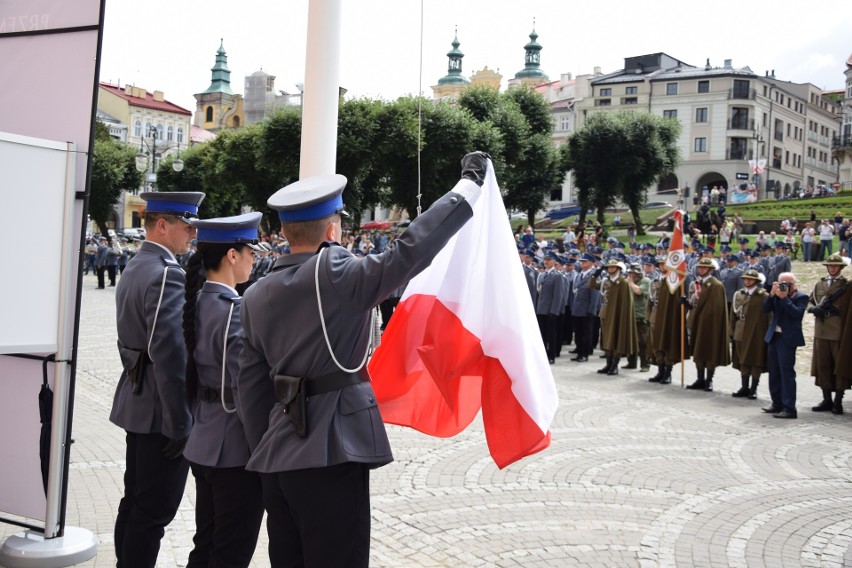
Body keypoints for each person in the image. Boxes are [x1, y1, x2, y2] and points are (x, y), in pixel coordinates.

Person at [237, 152, 490, 567]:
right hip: (332, 451)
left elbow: (250, 389)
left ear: (283, 230)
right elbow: (410, 250)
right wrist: (467, 188)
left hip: (276, 456)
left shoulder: (255, 293)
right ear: (333, 228)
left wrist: (264, 450)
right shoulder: (337, 274)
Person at [110, 191, 205, 568]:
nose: (191, 236)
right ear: (162, 225)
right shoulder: (167, 273)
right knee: (153, 512)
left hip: (140, 400)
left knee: (135, 501)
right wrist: (181, 422)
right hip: (160, 412)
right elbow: (169, 355)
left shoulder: (139, 264)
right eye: (186, 227)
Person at [182, 213, 265, 568]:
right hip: (234, 448)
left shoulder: (197, 301)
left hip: (204, 438)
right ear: (232, 255)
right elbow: (247, 391)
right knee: (231, 551)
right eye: (250, 252)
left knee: (208, 543)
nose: (254, 258)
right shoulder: (235, 311)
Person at [807, 254, 851, 415]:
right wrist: (812, 308)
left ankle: (838, 400)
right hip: (821, 329)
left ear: (840, 267)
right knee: (823, 365)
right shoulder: (820, 283)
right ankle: (827, 399)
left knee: (838, 366)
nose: (832, 268)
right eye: (830, 266)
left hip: (838, 330)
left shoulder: (846, 285)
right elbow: (810, 300)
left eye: (835, 266)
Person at [762, 272, 808, 419]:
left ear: (794, 284)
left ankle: (789, 408)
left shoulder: (801, 297)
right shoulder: (776, 294)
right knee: (774, 372)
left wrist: (784, 298)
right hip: (774, 336)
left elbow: (796, 314)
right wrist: (771, 295)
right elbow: (764, 309)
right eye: (782, 283)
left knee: (786, 373)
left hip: (787, 339)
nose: (785, 286)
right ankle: (776, 403)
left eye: (788, 284)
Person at [685, 257, 730, 392]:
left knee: (710, 351)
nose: (701, 270)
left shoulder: (716, 285)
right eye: (700, 267)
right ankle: (700, 378)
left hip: (710, 325)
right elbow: (696, 303)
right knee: (698, 351)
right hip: (697, 322)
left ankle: (709, 379)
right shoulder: (697, 283)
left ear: (710, 270)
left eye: (704, 268)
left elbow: (716, 308)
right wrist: (687, 303)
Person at [730, 270, 771, 399]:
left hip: (756, 331)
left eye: (750, 279)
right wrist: (731, 331)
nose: (747, 281)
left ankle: (753, 388)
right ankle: (744, 386)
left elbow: (768, 316)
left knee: (755, 359)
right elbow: (733, 314)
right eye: (746, 279)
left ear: (756, 281)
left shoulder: (763, 295)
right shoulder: (739, 294)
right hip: (741, 328)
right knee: (742, 359)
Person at [594, 259, 638, 375]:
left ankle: (614, 365)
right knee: (607, 338)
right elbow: (592, 285)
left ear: (618, 269)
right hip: (605, 312)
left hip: (617, 314)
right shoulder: (606, 281)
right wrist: (595, 274)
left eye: (613, 267)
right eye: (609, 267)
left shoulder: (623, 283)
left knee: (616, 338)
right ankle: (608, 364)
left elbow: (626, 302)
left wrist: (622, 317)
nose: (610, 269)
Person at [624, 263, 650, 372]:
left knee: (642, 342)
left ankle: (645, 364)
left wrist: (629, 282)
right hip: (630, 315)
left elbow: (639, 291)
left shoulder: (645, 281)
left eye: (632, 273)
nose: (631, 275)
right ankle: (631, 362)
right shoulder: (629, 281)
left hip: (641, 315)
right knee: (630, 340)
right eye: (630, 273)